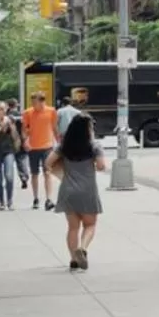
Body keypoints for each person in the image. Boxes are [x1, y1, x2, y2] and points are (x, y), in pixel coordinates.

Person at [48, 114, 105, 271]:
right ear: (88, 129)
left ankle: (73, 259)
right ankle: (83, 248)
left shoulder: (64, 146)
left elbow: (48, 162)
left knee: (73, 228)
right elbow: (101, 166)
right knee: (90, 224)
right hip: (87, 190)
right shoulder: (94, 146)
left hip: (68, 190)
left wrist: (62, 170)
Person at [21, 91, 58, 210]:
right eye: (32, 102)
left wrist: (59, 143)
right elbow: (24, 130)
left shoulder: (51, 111)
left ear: (42, 101)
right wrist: (25, 141)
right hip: (33, 147)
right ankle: (36, 198)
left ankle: (49, 199)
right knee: (34, 173)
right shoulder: (27, 113)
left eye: (35, 102)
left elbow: (54, 128)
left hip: (47, 146)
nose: (33, 104)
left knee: (47, 172)